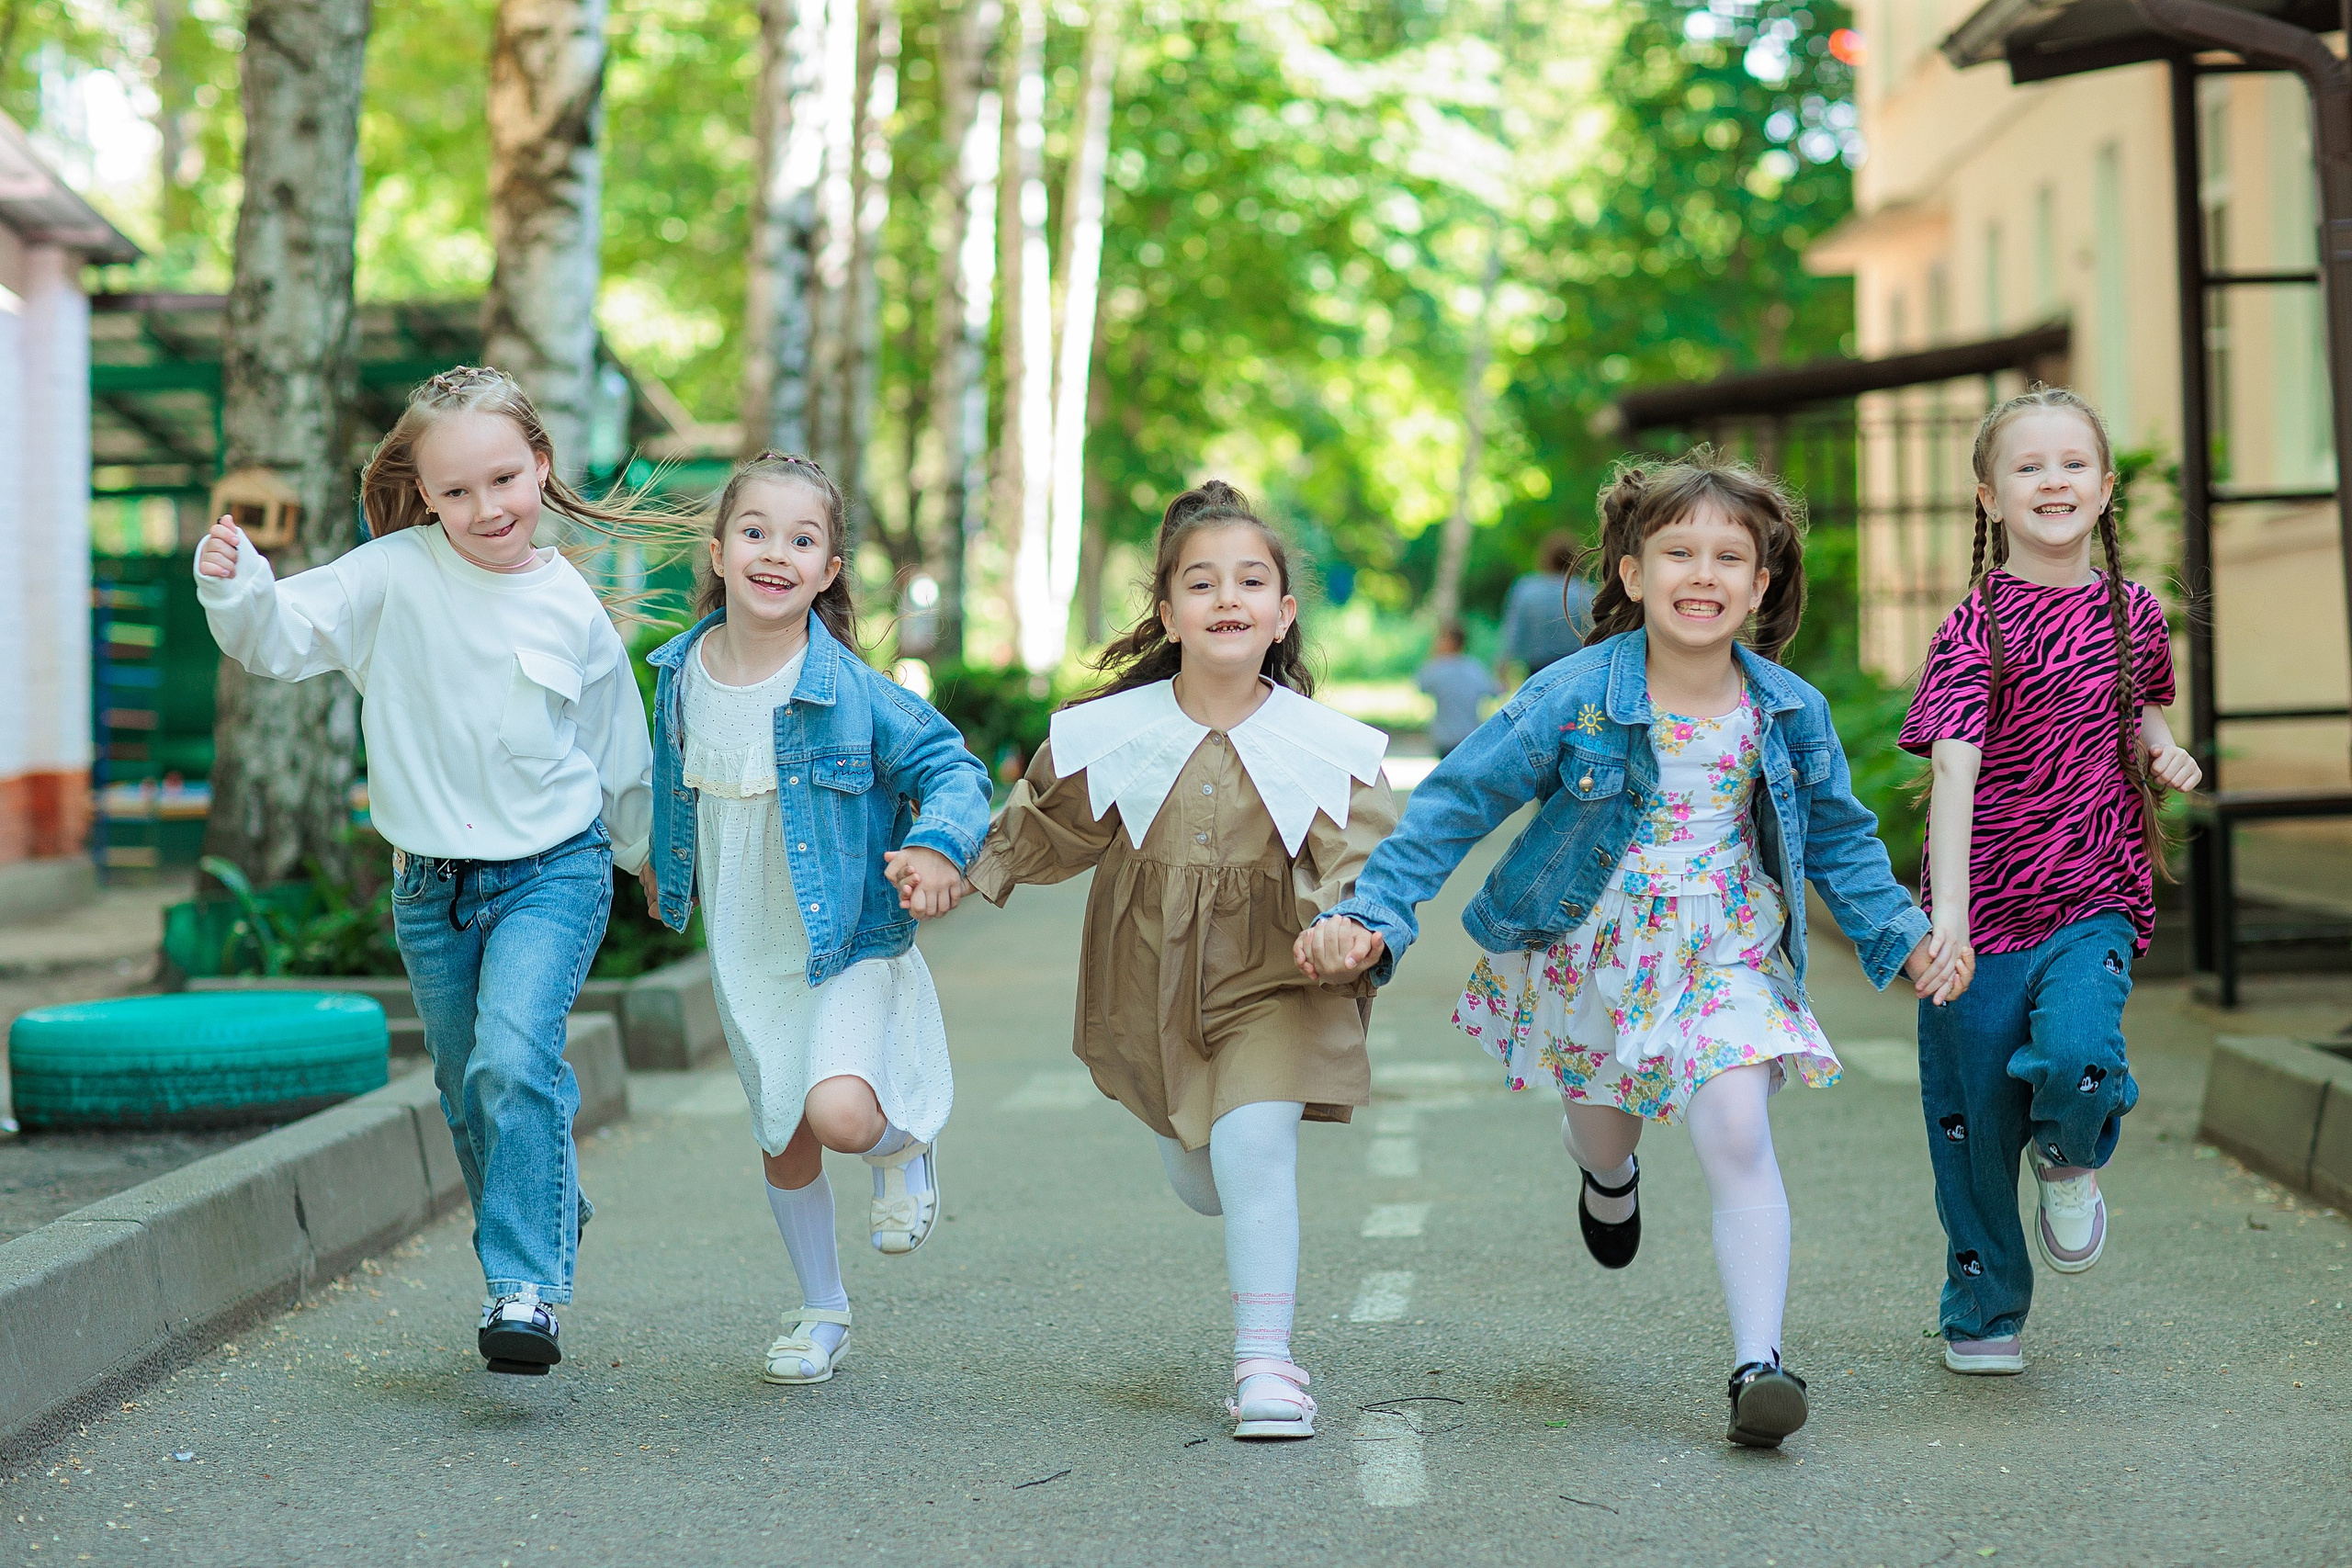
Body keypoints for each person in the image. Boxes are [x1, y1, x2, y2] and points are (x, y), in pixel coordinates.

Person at [1297, 450, 1969, 1450]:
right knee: (1607, 1132)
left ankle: (1758, 1367)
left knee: (1737, 1130)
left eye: (1729, 558)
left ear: (1761, 583)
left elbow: (1836, 840)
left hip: (1727, 949)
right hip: (1591, 953)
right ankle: (1605, 1176)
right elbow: (1453, 804)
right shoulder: (1572, 695)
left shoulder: (1786, 708)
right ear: (1631, 574)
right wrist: (1375, 913)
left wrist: (1905, 939)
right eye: (1677, 553)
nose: (1703, 575)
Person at [196, 366, 663, 1377]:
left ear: (540, 464)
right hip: (431, 888)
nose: (484, 508)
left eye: (503, 479)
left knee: (509, 1057)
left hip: (554, 871)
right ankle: (540, 1198)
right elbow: (278, 639)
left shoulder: (571, 607)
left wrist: (646, 856)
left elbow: (617, 748)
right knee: (466, 1087)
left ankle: (524, 1290)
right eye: (455, 491)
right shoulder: (391, 574)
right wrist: (234, 582)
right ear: (423, 490)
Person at [961, 480, 1397, 1441]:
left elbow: (1363, 860)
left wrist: (1350, 926)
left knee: (1252, 1146)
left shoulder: (1325, 749)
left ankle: (1264, 1364)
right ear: (1168, 613)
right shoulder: (1110, 733)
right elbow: (1045, 825)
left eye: (1251, 581)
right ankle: (1189, 1135)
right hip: (1149, 977)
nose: (1227, 598)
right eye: (1202, 583)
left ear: (1283, 613)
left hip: (1277, 975)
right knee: (1203, 1174)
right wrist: (957, 868)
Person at [640, 451, 991, 1385]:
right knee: (782, 1135)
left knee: (838, 1115)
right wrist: (655, 868)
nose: (774, 553)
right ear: (717, 551)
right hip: (747, 951)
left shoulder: (855, 694)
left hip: (843, 944)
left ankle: (903, 1145)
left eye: (802, 540)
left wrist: (938, 848)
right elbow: (670, 792)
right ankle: (820, 1310)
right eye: (754, 532)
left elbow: (953, 768)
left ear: (829, 571)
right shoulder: (679, 677)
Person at [1901, 388, 2199, 1378]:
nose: (2052, 480)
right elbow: (1952, 768)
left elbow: (2141, 705)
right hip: (1981, 916)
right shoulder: (1974, 625)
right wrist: (1944, 922)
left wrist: (2166, 750)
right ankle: (1983, 1315)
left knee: (2077, 1055)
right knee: (1973, 1123)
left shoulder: (2132, 614)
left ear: (2105, 488)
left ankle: (2070, 1157)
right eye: (2027, 466)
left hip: (2092, 898)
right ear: (1989, 497)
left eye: (2072, 463)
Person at [1497, 532, 1595, 682]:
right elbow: (1594, 634)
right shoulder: (1585, 591)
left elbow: (1515, 634)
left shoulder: (1526, 589)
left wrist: (1504, 663)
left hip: (1537, 671)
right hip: (1576, 670)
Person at [1417, 622, 1498, 758]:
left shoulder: (1437, 668)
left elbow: (1421, 684)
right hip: (1469, 735)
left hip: (1444, 737)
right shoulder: (1474, 668)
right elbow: (1495, 691)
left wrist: (1433, 656)